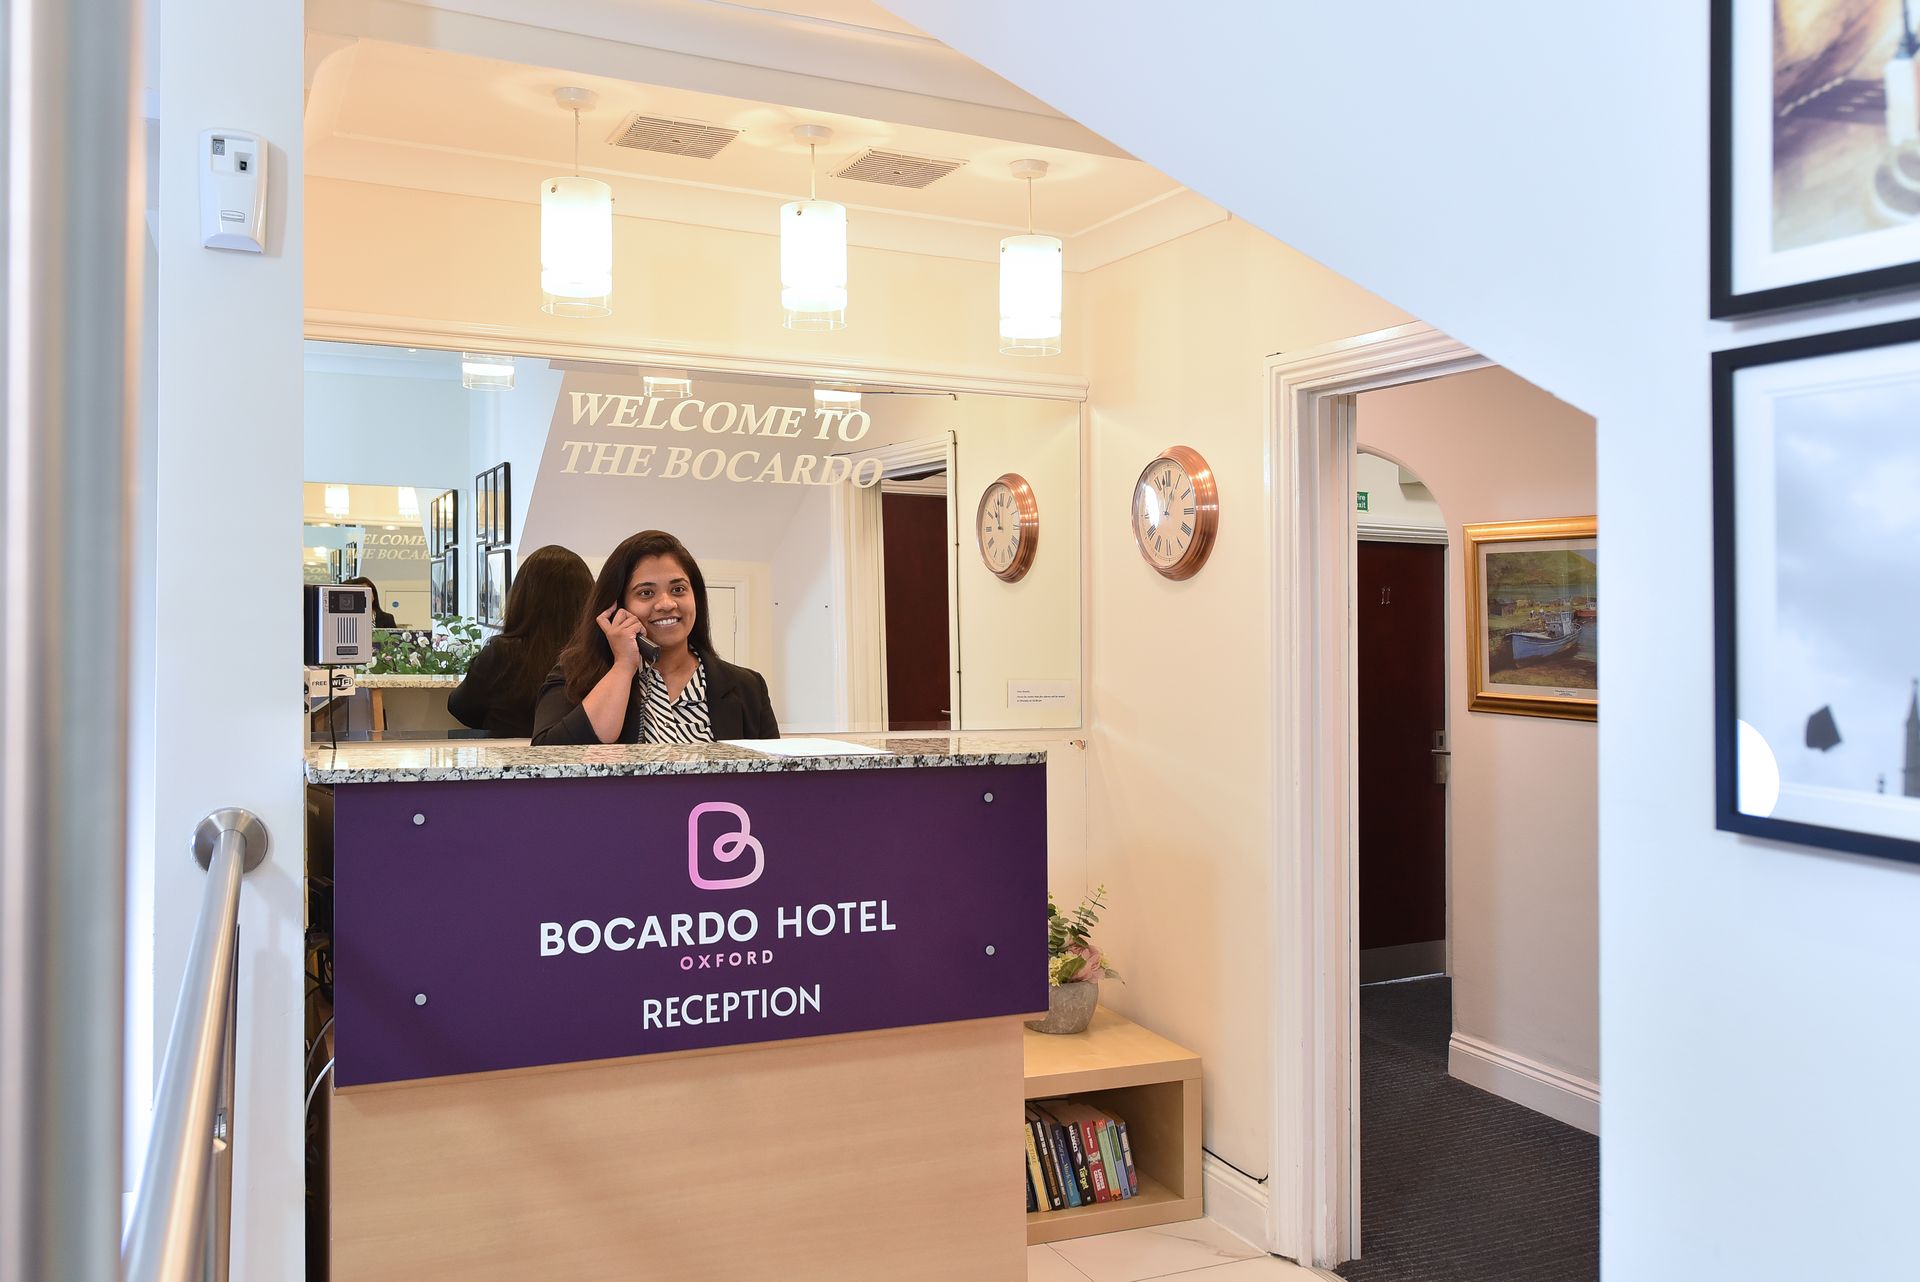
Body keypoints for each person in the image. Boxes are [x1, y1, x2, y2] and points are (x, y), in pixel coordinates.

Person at [530, 530, 779, 744]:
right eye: (646, 593)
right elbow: (548, 760)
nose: (667, 604)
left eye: (678, 589)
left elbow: (776, 779)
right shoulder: (574, 674)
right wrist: (623, 666)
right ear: (617, 607)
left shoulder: (747, 687)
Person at [447, 544, 592, 738]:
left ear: (521, 596)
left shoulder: (501, 653)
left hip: (504, 753)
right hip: (574, 755)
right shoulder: (595, 656)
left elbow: (460, 707)